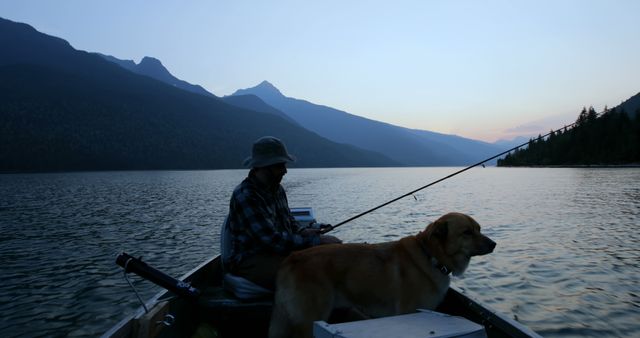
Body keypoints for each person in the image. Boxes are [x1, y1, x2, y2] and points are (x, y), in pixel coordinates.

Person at [225, 136, 341, 290]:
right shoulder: (246, 196)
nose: (285, 171)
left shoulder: (277, 189)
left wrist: (305, 231)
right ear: (264, 166)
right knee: (315, 272)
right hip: (251, 260)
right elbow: (271, 241)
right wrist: (317, 241)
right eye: (280, 165)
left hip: (277, 253)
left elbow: (289, 222)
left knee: (335, 253)